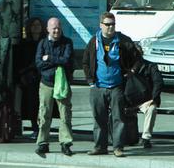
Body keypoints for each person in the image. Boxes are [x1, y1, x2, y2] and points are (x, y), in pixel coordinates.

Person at [83, 12, 140, 158]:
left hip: (117, 86)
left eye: (113, 24)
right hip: (98, 86)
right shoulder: (94, 41)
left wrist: (132, 71)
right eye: (107, 24)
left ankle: (118, 147)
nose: (110, 27)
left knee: (118, 118)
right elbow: (85, 62)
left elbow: (137, 58)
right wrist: (90, 81)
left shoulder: (123, 41)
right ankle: (100, 146)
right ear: (101, 25)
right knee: (99, 118)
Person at [34, 17, 75, 157]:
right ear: (48, 29)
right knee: (44, 114)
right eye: (53, 28)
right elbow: (39, 64)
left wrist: (49, 58)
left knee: (65, 115)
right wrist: (56, 61)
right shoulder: (42, 43)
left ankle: (65, 143)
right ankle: (42, 143)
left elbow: (67, 60)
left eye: (58, 27)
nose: (56, 30)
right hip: (46, 84)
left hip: (62, 84)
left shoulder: (67, 42)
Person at [128, 45, 163, 149]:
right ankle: (119, 137)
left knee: (152, 109)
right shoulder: (125, 66)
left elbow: (158, 82)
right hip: (128, 100)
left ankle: (146, 138)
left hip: (145, 100)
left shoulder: (150, 66)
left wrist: (153, 99)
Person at [18, 18, 45, 139]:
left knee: (43, 104)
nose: (36, 27)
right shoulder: (24, 43)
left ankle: (42, 128)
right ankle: (35, 127)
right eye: (33, 25)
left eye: (38, 25)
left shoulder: (44, 42)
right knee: (31, 104)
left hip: (42, 77)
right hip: (29, 78)